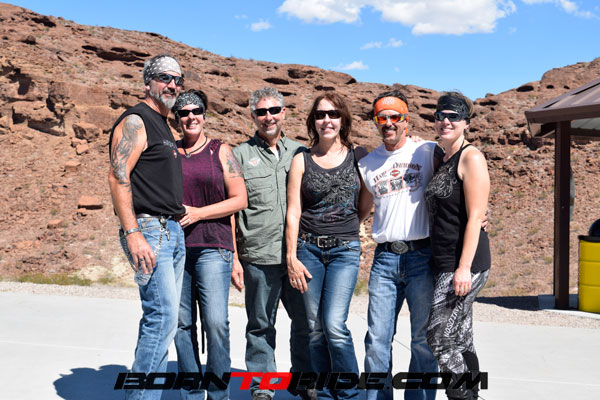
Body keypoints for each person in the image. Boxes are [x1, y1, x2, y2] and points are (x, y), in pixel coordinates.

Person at [108, 54, 185, 400]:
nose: (173, 85)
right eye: (165, 77)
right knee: (163, 318)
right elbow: (118, 177)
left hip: (171, 232)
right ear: (147, 82)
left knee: (161, 322)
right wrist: (133, 233)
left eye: (178, 80)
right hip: (149, 231)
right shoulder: (136, 121)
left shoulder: (164, 125)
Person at [285, 92, 371, 400]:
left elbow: (366, 203)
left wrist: (346, 227)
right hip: (308, 250)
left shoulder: (359, 156)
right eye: (321, 115)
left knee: (334, 324)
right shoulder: (301, 159)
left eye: (333, 114)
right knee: (314, 327)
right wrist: (291, 257)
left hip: (344, 251)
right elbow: (293, 212)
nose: (327, 120)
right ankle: (322, 393)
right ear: (313, 121)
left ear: (343, 119)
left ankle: (349, 395)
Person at [232, 87, 315, 400]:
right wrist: (235, 258)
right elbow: (232, 209)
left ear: (284, 113)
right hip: (258, 255)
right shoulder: (239, 155)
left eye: (274, 110)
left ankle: (303, 380)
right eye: (261, 112)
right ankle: (263, 385)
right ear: (253, 116)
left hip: (299, 256)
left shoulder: (301, 153)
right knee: (260, 324)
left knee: (306, 322)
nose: (268, 117)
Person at [358, 90, 441, 400]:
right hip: (385, 260)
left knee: (422, 340)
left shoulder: (427, 151)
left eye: (395, 117)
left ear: (407, 120)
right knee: (377, 340)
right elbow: (361, 209)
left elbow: (459, 178)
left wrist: (479, 212)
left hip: (422, 256)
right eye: (382, 118)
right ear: (376, 121)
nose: (389, 123)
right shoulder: (368, 164)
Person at [171, 89, 247, 400]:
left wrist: (199, 214)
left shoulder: (221, 152)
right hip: (176, 249)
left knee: (216, 322)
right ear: (177, 118)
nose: (191, 117)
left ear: (205, 114)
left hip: (214, 248)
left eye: (196, 111)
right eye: (184, 112)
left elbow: (239, 200)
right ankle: (191, 392)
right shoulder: (170, 153)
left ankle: (218, 394)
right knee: (181, 324)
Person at [424, 92, 491, 400]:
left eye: (454, 116)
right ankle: (471, 394)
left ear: (466, 122)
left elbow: (476, 215)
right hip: (444, 260)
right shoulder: (443, 157)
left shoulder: (471, 157)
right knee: (461, 337)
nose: (446, 121)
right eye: (440, 115)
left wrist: (463, 268)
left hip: (465, 263)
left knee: (438, 336)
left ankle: (463, 397)